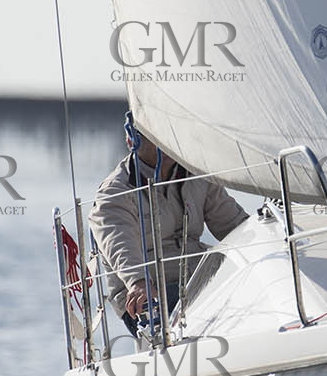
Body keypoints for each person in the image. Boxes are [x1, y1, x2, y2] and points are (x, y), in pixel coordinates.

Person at [89, 119, 248, 331]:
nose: (167, 143)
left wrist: (274, 243)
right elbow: (118, 242)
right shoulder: (115, 193)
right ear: (133, 140)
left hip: (201, 280)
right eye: (156, 135)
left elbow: (234, 226)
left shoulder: (197, 176)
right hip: (152, 293)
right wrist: (139, 282)